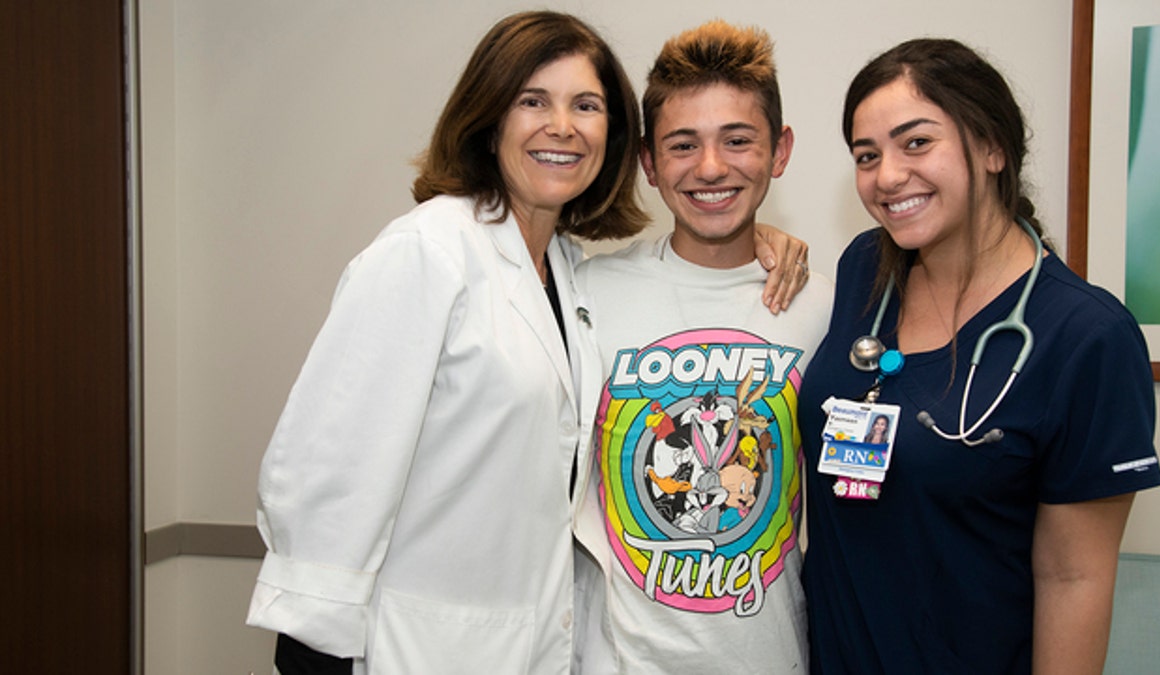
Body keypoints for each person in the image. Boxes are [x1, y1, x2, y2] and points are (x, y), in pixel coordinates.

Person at [246, 11, 807, 674]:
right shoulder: (428, 250)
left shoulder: (571, 277)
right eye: (532, 100)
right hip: (414, 646)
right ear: (488, 119)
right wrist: (314, 649)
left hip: (537, 645)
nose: (562, 126)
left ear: (615, 138)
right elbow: (328, 472)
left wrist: (760, 248)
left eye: (587, 104)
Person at [799, 38, 1160, 674]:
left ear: (993, 148)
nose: (886, 177)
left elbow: (1073, 578)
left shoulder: (1085, 338)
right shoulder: (865, 269)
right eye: (867, 155)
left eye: (916, 143)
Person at [573, 20, 833, 674]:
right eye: (682, 145)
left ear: (780, 151)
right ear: (649, 163)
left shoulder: (824, 305)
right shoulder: (588, 293)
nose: (711, 167)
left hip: (769, 653)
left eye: (738, 140)